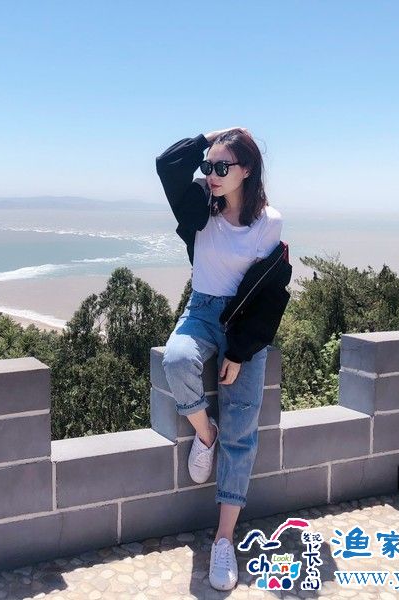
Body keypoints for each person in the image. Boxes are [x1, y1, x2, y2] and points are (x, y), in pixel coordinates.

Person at [155, 128, 292, 591]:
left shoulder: (268, 222)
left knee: (242, 428)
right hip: (200, 311)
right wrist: (214, 136)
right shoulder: (200, 207)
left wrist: (238, 350)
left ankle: (224, 539)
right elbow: (167, 164)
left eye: (221, 167)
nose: (211, 175)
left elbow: (270, 293)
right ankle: (204, 434)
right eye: (208, 166)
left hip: (243, 323)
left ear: (246, 170)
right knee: (177, 360)